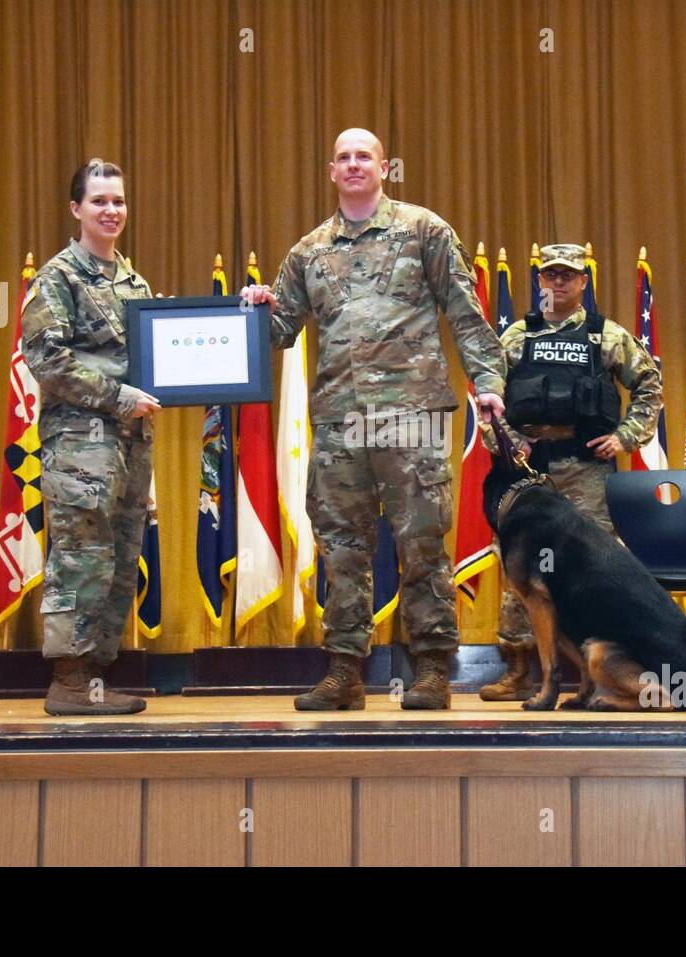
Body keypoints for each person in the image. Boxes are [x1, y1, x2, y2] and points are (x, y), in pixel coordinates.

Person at [243, 128, 507, 711]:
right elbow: (278, 332)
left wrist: (487, 384)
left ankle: (434, 669)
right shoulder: (308, 251)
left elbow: (466, 315)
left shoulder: (424, 230)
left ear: (384, 167)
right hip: (340, 421)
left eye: (365, 156)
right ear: (331, 171)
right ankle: (344, 672)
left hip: (411, 417)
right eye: (344, 158)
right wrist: (254, 310)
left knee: (422, 545)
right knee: (341, 549)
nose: (354, 164)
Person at [479, 243, 663, 701]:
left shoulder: (605, 336)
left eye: (568, 275)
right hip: (527, 471)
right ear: (540, 280)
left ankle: (595, 666)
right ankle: (520, 667)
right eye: (550, 275)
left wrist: (626, 435)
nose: (558, 282)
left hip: (584, 469)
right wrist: (506, 441)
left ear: (584, 281)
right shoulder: (517, 337)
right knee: (520, 567)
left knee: (589, 568)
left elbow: (650, 386)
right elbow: (486, 399)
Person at [21, 159, 161, 716]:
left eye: (119, 201)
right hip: (79, 442)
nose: (111, 211)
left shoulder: (134, 281)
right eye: (99, 201)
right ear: (76, 208)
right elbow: (45, 360)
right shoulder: (57, 277)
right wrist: (118, 396)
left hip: (130, 442)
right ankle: (69, 680)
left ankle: (96, 676)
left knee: (120, 553)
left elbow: (154, 357)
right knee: (80, 556)